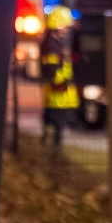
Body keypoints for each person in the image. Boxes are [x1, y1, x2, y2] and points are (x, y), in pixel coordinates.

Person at [40, 8, 80, 148]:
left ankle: (53, 145)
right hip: (57, 92)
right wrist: (58, 83)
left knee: (56, 123)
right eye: (65, 25)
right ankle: (53, 148)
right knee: (54, 122)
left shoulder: (55, 42)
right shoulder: (51, 45)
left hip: (60, 93)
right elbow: (50, 69)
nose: (67, 29)